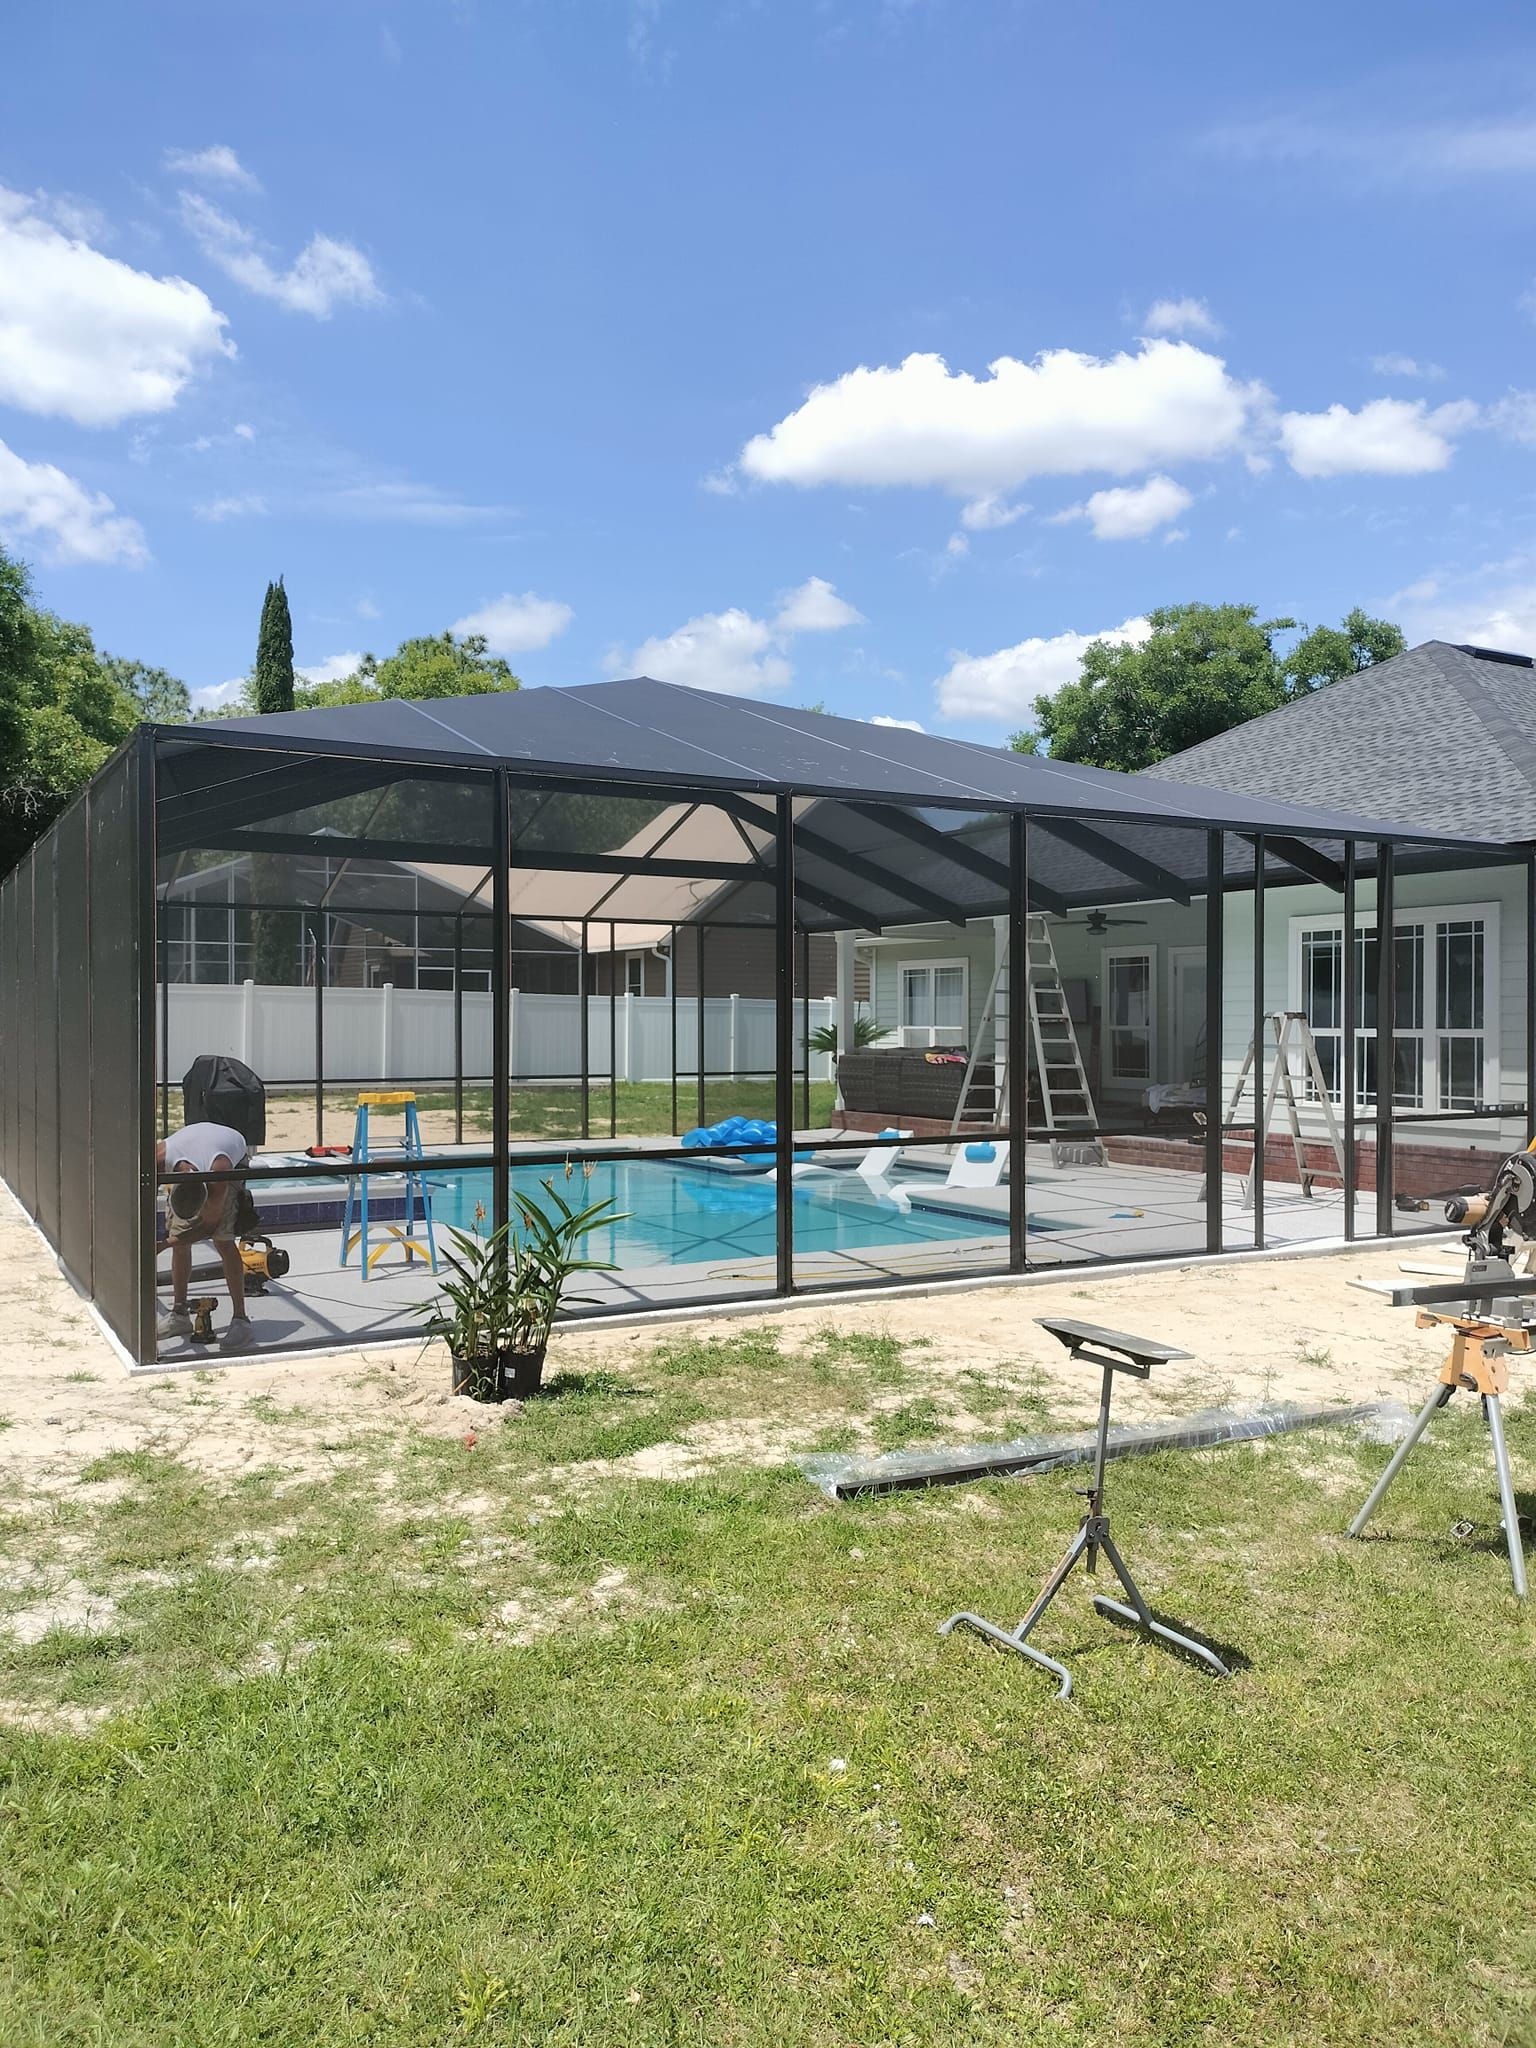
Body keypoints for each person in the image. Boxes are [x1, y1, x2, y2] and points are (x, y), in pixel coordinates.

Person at [156, 1121, 257, 1354]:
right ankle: (179, 1314)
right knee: (178, 1237)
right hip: (198, 1147)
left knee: (223, 1240)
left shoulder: (219, 1172)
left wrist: (161, 1245)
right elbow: (138, 1188)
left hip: (228, 1157)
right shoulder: (158, 1158)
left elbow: (207, 1228)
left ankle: (240, 1319)